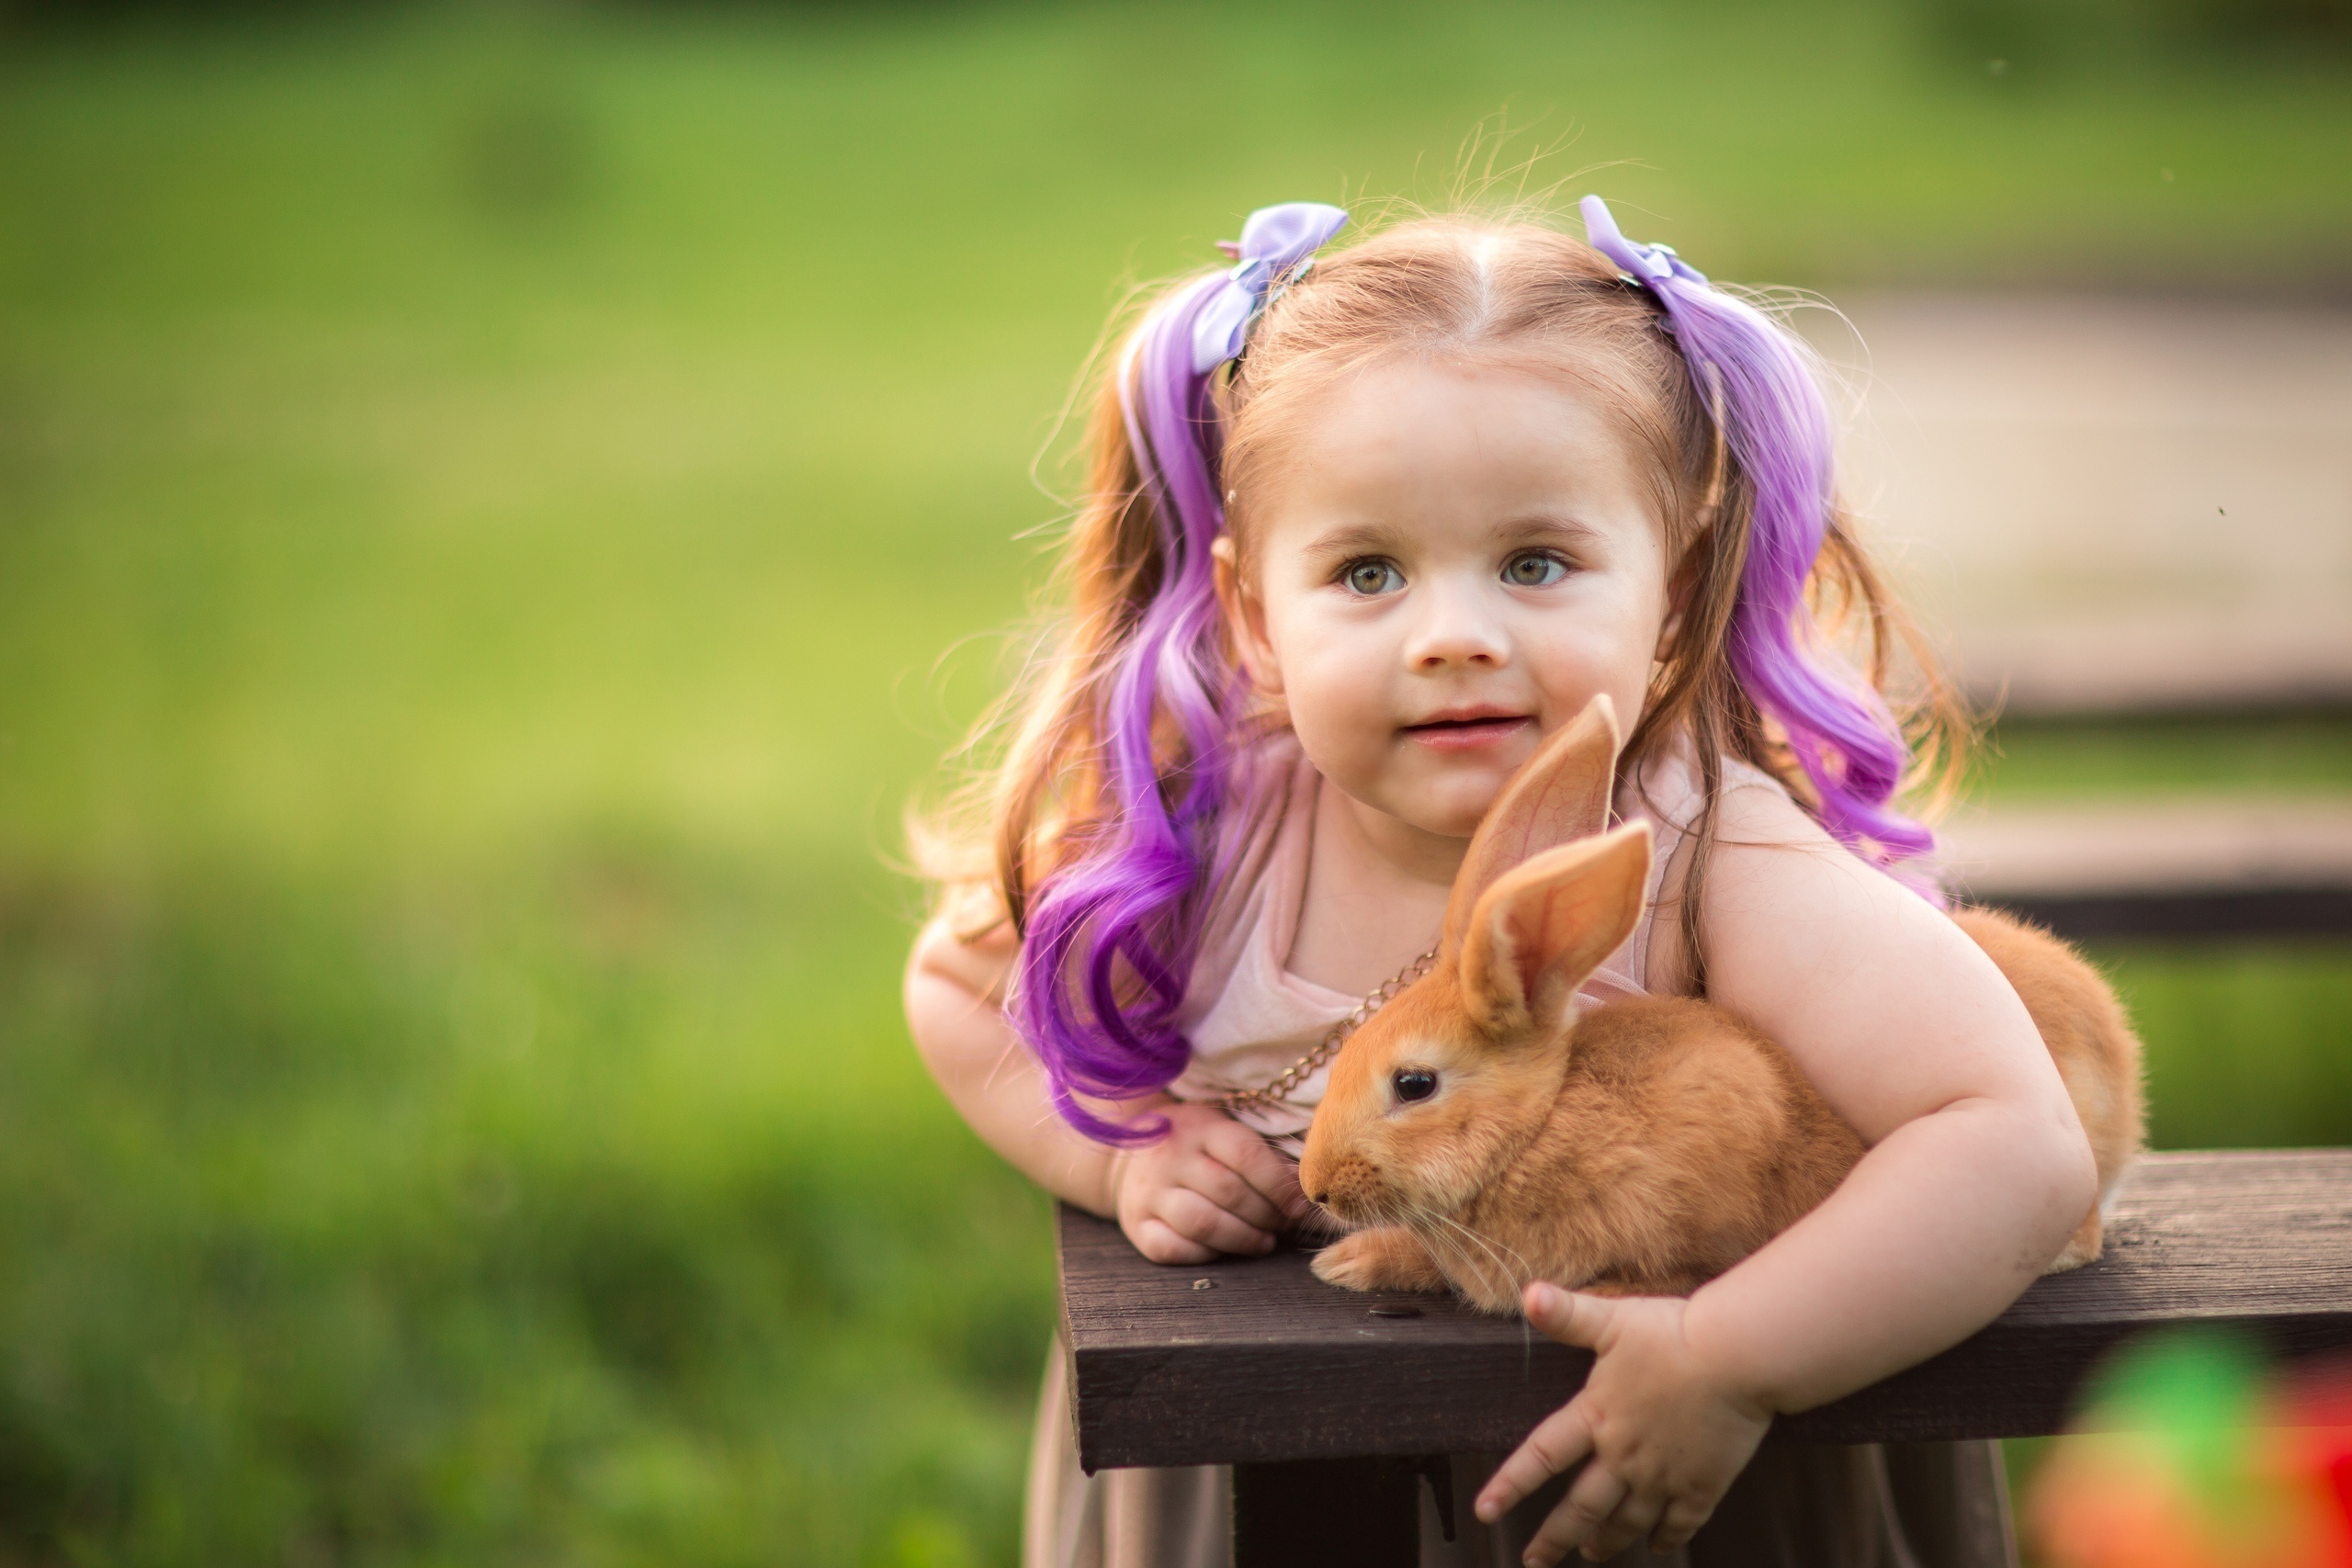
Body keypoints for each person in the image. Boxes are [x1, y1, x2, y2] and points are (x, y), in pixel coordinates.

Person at [904, 196, 2096, 1568]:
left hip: (1660, 1490)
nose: (1454, 635)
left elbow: (2016, 1143)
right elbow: (957, 984)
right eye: (1368, 572)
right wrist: (1122, 1156)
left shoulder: (1705, 857)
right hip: (1257, 1494)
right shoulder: (1212, 836)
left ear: (1674, 588)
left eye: (1536, 563)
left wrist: (1730, 1358)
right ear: (1255, 617)